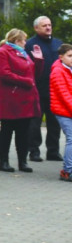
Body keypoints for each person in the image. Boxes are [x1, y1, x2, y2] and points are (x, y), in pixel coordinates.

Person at [0, 28, 40, 173]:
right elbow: (3, 74)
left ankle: (22, 161)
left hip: (25, 98)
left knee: (23, 131)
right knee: (7, 130)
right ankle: (4, 161)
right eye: (24, 40)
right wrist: (25, 81)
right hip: (10, 98)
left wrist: (39, 60)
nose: (26, 43)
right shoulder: (2, 52)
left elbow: (34, 74)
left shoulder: (23, 53)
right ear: (17, 40)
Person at [25, 16, 64, 162]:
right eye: (44, 26)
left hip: (55, 90)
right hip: (37, 90)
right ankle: (34, 151)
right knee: (35, 123)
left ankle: (53, 151)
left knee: (54, 123)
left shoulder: (58, 43)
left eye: (49, 25)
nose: (48, 27)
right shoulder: (30, 44)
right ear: (36, 28)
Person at [49, 44, 72, 181]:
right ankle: (68, 171)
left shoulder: (69, 69)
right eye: (69, 56)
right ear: (61, 57)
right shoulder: (58, 71)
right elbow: (64, 95)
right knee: (71, 139)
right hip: (63, 111)